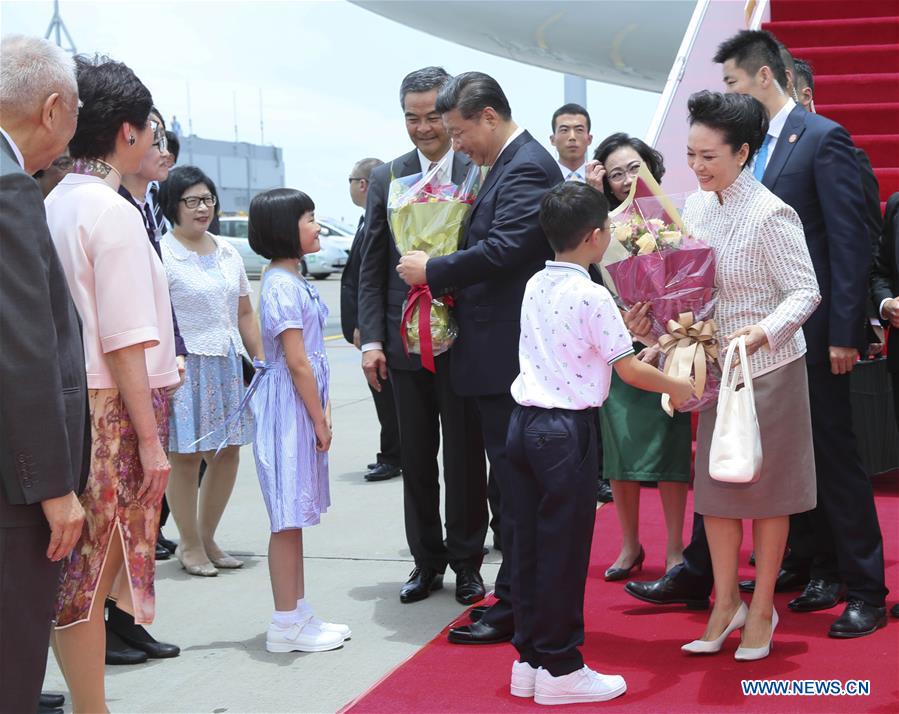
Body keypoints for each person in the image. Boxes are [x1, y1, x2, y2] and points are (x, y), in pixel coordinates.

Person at [627, 29, 889, 640]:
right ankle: (784, 570)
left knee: (825, 462)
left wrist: (847, 330)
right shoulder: (712, 185)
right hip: (721, 350)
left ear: (762, 77)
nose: (728, 92)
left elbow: (848, 241)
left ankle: (863, 586)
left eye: (733, 82)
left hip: (803, 339)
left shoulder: (821, 139)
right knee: (739, 472)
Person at [506, 181, 692, 704]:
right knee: (564, 551)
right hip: (565, 432)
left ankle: (530, 660)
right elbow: (630, 370)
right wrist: (680, 385)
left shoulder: (534, 284)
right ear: (594, 237)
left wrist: (621, 333)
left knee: (528, 548)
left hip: (522, 424)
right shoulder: (591, 293)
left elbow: (586, 349)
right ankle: (562, 668)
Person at [397, 71, 560, 644]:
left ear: (489, 116)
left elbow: (508, 247)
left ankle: (517, 604)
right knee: (507, 488)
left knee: (513, 490)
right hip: (490, 352)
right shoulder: (504, 165)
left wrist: (434, 271)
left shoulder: (527, 166)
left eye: (461, 132)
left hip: (505, 355)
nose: (457, 144)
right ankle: (513, 597)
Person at [46, 54, 178, 713]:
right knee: (92, 577)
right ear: (127, 131)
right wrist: (151, 443)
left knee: (78, 574)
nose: (155, 138)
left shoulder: (59, 201)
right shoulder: (113, 212)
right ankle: (91, 707)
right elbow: (126, 340)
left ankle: (84, 701)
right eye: (151, 126)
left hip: (72, 404)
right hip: (112, 412)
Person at [678, 90, 821, 661]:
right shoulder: (692, 206)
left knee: (766, 493)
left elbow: (805, 291)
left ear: (743, 152)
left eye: (709, 156)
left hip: (770, 369)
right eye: (691, 154)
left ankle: (761, 607)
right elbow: (688, 286)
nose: (697, 166)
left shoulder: (771, 212)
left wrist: (761, 333)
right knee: (716, 495)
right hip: (714, 369)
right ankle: (723, 602)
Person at [358, 67, 489, 606]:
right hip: (403, 342)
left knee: (464, 458)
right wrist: (371, 339)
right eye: (412, 117)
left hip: (461, 340)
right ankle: (425, 561)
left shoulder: (478, 170)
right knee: (416, 458)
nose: (423, 127)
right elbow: (372, 265)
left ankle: (468, 562)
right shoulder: (389, 177)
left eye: (433, 116)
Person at [0, 35, 88, 714]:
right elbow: (24, 348)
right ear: (53, 109)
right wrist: (52, 484)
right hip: (13, 483)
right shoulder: (8, 191)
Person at [247, 188, 350, 653]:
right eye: (308, 218)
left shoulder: (288, 278)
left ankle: (298, 611)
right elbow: (297, 362)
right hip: (289, 410)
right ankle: (285, 621)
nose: (316, 226)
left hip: (296, 406)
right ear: (284, 229)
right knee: (287, 517)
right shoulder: (282, 286)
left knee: (294, 516)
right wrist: (319, 420)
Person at [585, 133, 692, 579]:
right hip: (620, 346)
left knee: (669, 454)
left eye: (633, 167)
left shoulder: (675, 219)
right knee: (622, 451)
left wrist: (662, 334)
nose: (626, 178)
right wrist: (629, 323)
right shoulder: (600, 229)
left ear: (649, 167)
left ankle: (673, 549)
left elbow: (692, 282)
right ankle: (629, 546)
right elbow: (589, 283)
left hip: (670, 346)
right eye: (616, 173)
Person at [158, 165, 262, 576]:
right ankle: (188, 543)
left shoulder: (227, 252)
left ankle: (207, 535)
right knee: (184, 457)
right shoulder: (161, 254)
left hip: (226, 363)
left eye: (208, 200)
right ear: (173, 206)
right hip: (185, 366)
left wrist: (263, 361)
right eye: (192, 201)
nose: (203, 209)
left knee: (227, 453)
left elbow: (244, 313)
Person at [340, 157, 402, 482]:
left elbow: (373, 278)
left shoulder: (385, 222)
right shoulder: (366, 220)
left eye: (350, 180)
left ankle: (393, 456)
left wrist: (365, 327)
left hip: (375, 328)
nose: (349, 186)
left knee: (386, 395)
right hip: (366, 327)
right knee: (384, 396)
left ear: (363, 184)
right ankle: (391, 452)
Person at [549, 103, 592, 182]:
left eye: (579, 130)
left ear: (589, 139)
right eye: (564, 130)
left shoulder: (600, 179)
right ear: (552, 140)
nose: (572, 137)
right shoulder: (543, 179)